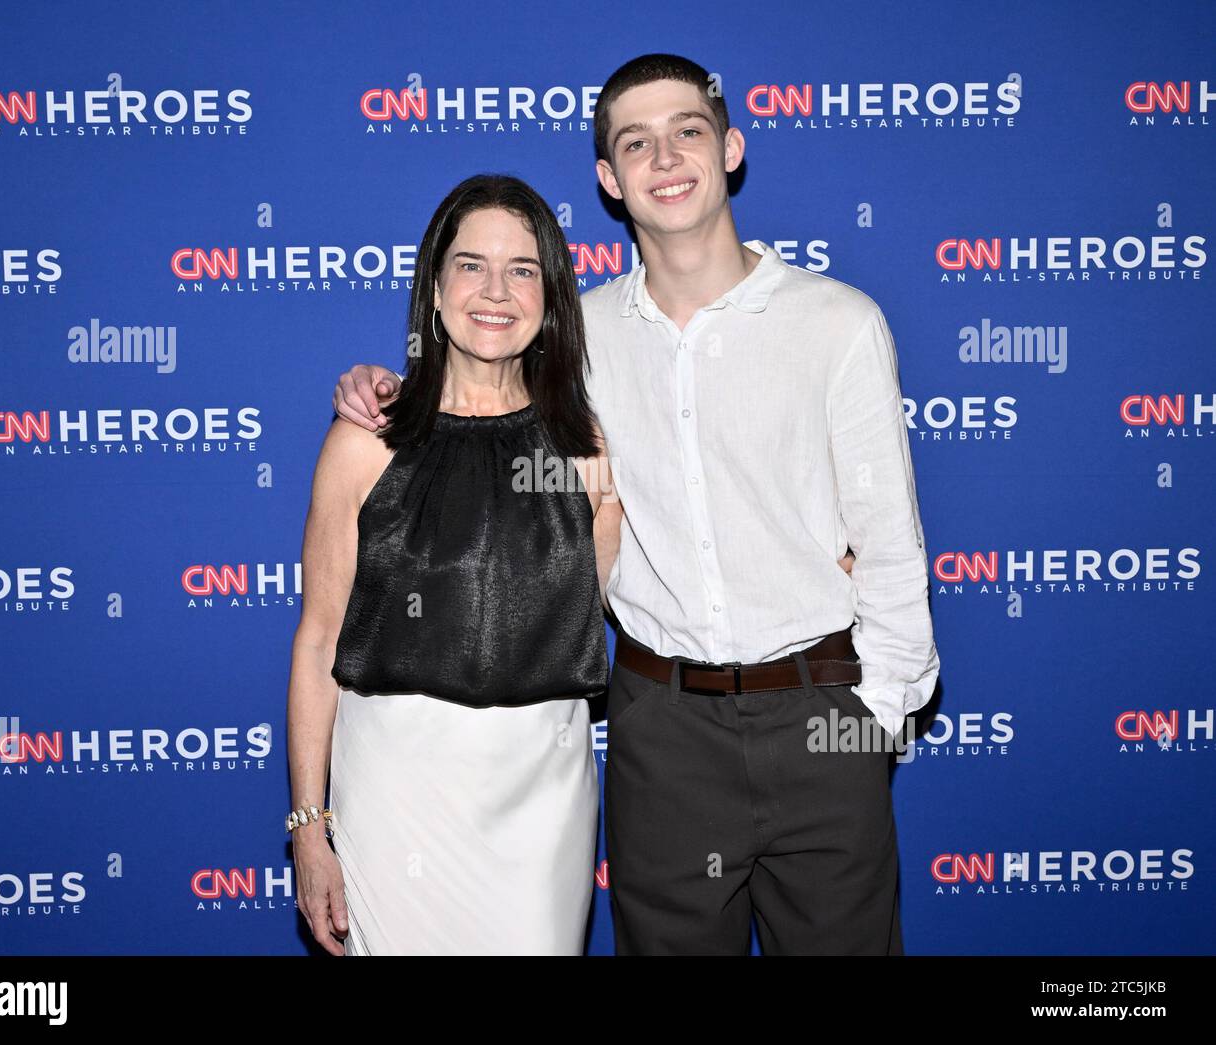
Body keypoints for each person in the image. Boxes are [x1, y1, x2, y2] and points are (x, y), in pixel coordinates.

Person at [335, 54, 935, 957]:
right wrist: (388, 381)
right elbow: (468, 392)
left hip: (821, 713)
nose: (667, 156)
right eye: (636, 141)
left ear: (729, 148)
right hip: (662, 726)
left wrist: (874, 722)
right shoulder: (575, 346)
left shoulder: (839, 323)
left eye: (688, 130)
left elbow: (891, 545)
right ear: (610, 180)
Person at [286, 174, 619, 956]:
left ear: (551, 296)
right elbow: (317, 641)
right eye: (471, 265)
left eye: (523, 269)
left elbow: (638, 588)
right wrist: (309, 825)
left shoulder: (588, 449)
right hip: (394, 788)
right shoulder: (365, 442)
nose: (495, 290)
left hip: (543, 790)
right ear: (434, 290)